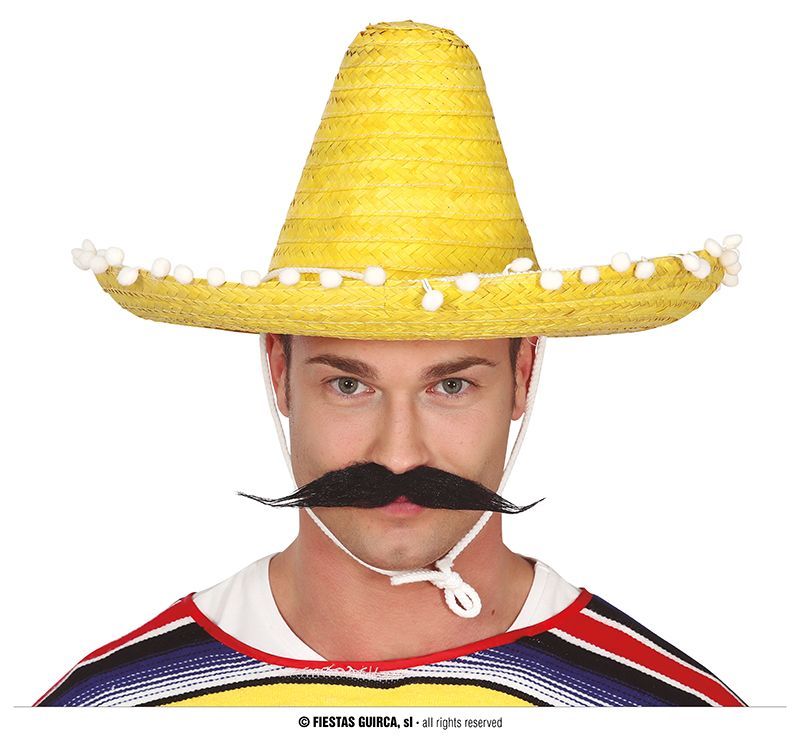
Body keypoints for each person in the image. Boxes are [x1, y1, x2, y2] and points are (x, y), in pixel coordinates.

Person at [37, 20, 745, 707]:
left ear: (524, 375)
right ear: (279, 371)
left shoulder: (654, 710)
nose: (399, 453)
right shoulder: (115, 707)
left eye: (451, 385)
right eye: (349, 384)